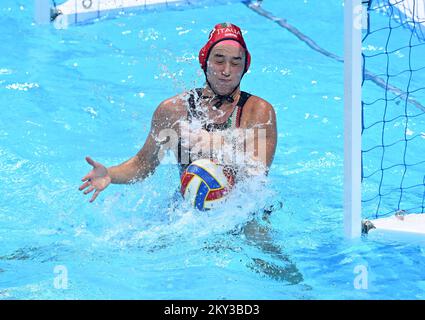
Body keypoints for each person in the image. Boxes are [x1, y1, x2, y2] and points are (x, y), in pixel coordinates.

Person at [79, 22, 277, 203]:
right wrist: (110, 175)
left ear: (245, 67)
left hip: (239, 211)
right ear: (205, 61)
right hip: (189, 211)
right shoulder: (174, 110)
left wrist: (219, 144)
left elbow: (257, 175)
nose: (226, 70)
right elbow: (143, 164)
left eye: (235, 63)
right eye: (219, 61)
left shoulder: (257, 111)